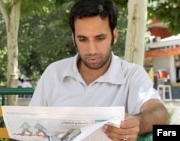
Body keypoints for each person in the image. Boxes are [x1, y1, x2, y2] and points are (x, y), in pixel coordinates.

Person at [29, 0, 169, 140]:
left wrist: (137, 123)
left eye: (100, 38)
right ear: (74, 39)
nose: (92, 50)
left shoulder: (132, 74)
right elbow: (29, 123)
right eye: (83, 39)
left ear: (114, 36)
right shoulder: (54, 73)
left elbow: (159, 113)